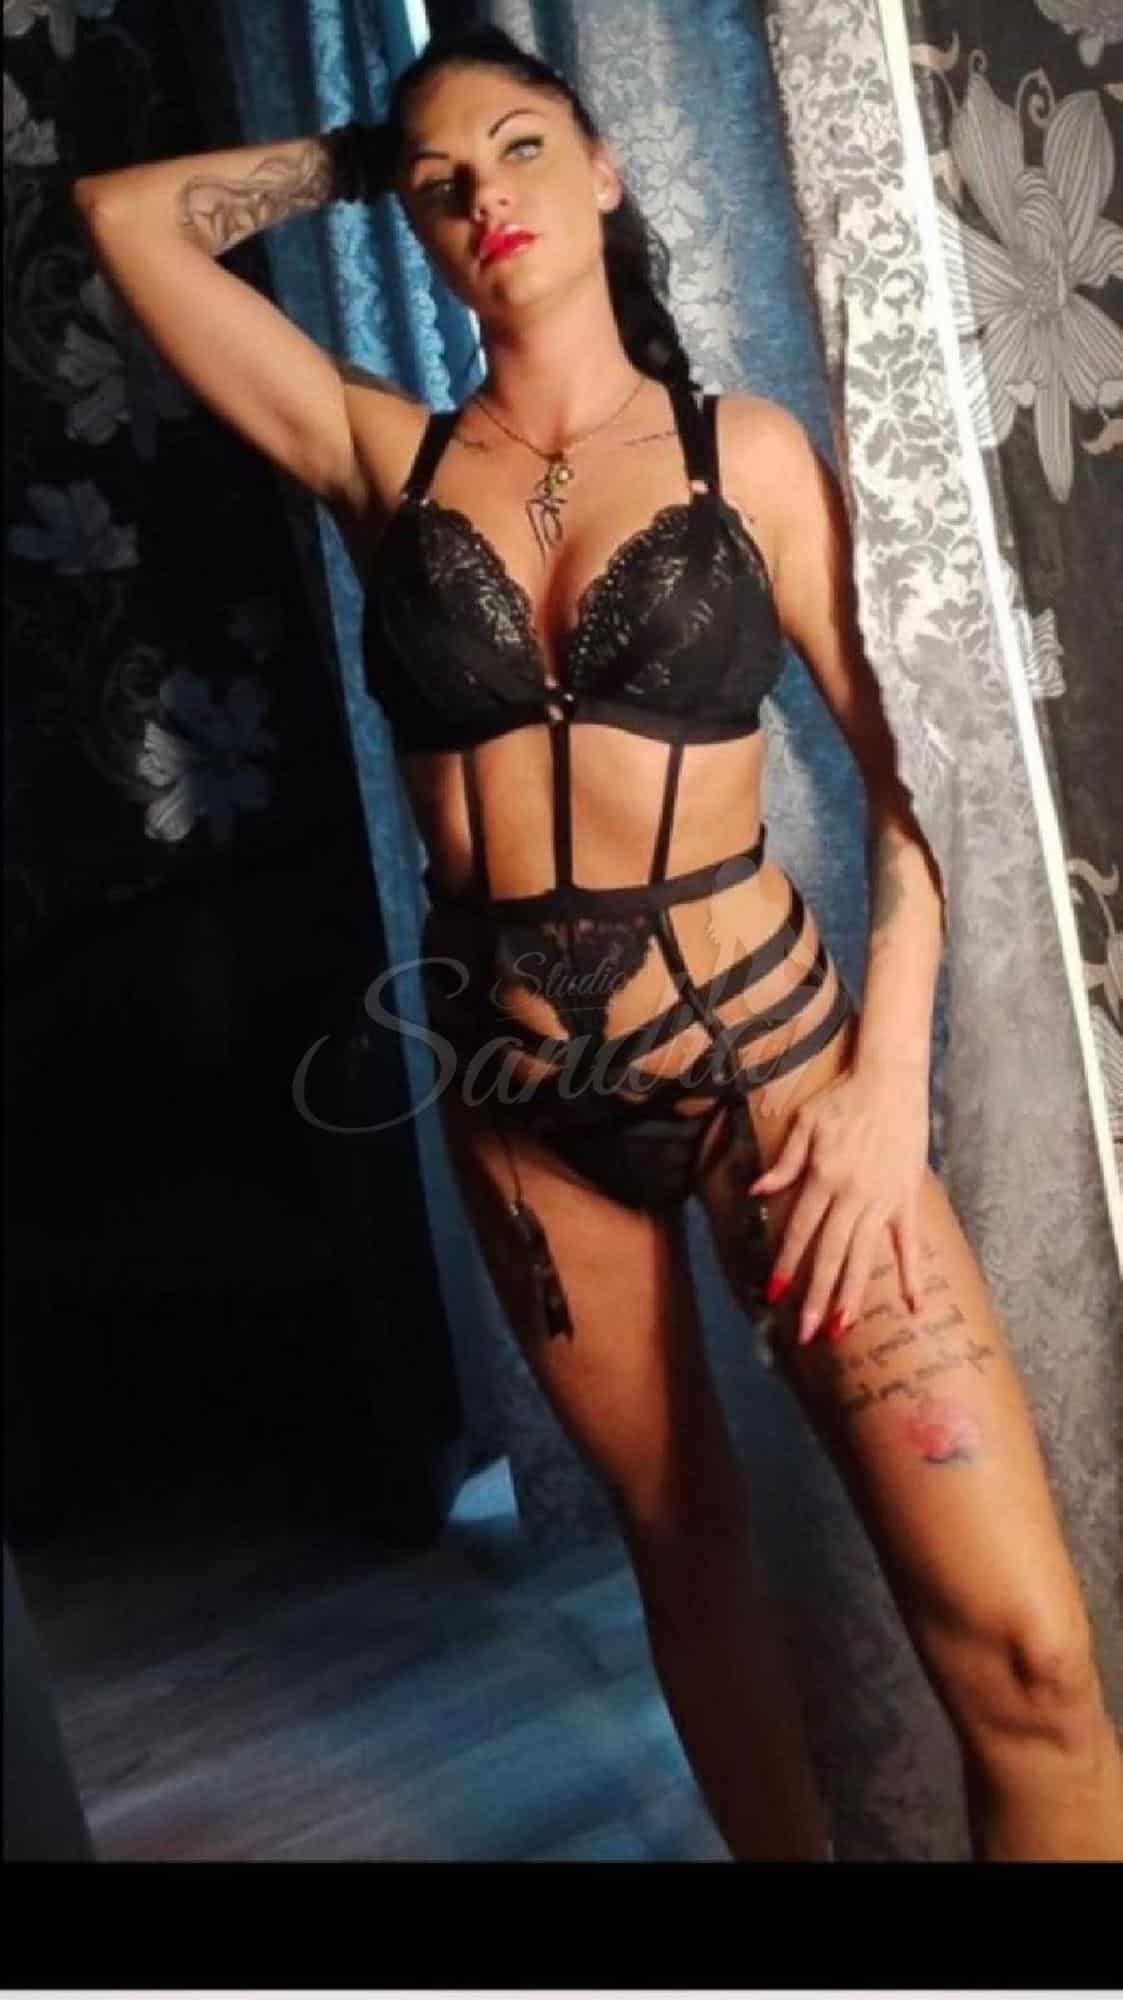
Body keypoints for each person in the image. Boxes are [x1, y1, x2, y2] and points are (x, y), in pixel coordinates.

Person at [73, 22, 1123, 1862]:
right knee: (685, 1561)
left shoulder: (744, 459)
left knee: (1030, 1664)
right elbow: (125, 218)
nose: (486, 194)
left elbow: (917, 788)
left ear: (609, 167)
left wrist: (886, 1091)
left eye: (525, 147)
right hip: (524, 1102)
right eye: (444, 186)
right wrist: (378, 152)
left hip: (776, 1076)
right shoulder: (384, 459)